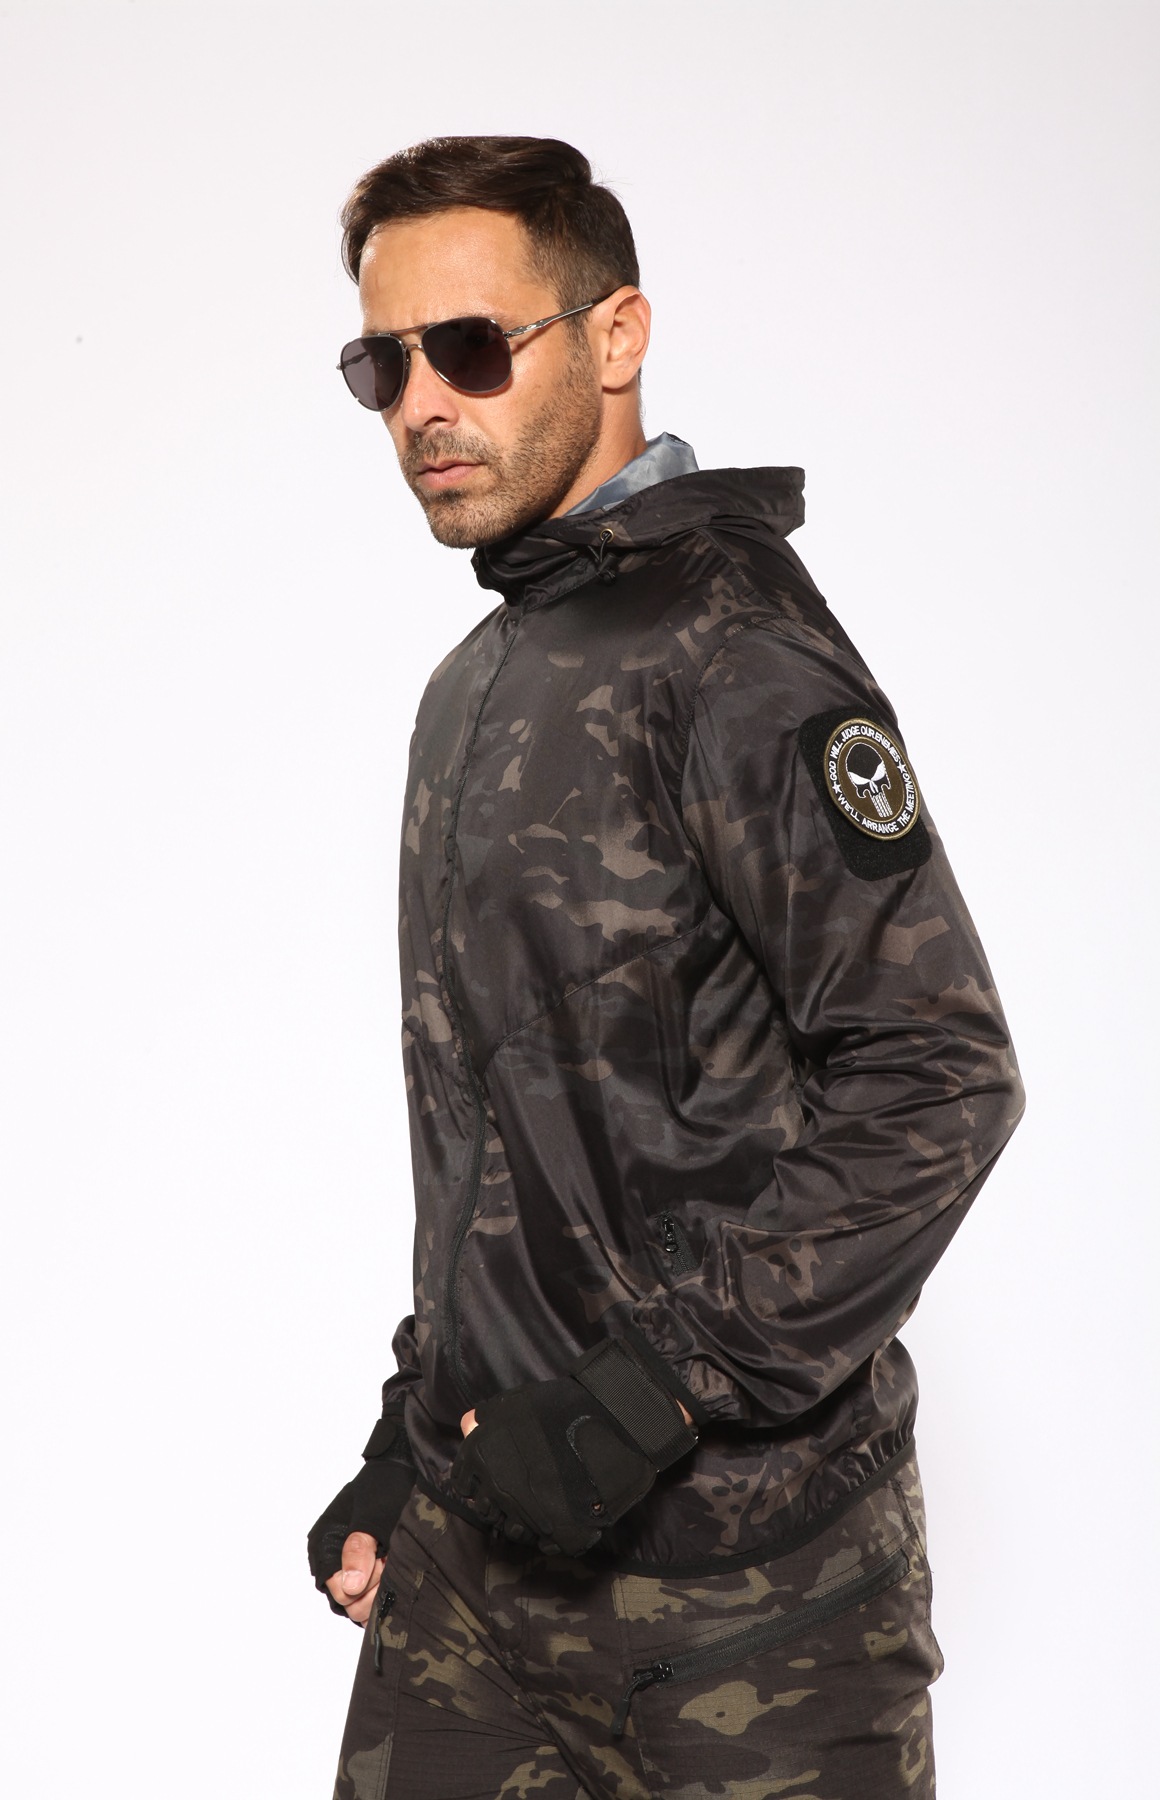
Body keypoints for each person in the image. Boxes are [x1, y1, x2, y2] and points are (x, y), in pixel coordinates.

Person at [307, 136, 1023, 1800]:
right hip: (480, 1579)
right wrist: (415, 1432)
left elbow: (940, 1077)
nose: (423, 404)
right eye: (383, 364)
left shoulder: (738, 653)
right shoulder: (475, 686)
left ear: (616, 335)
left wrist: (638, 1401)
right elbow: (508, 1131)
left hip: (749, 1621)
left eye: (469, 348)